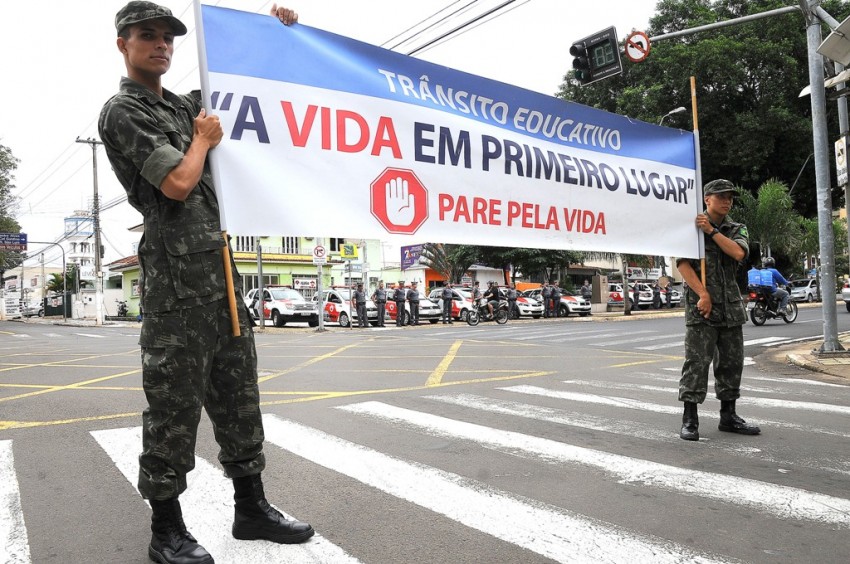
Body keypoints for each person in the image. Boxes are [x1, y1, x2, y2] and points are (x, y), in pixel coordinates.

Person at [98, 3, 313, 563]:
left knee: (240, 400)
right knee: (173, 412)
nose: (162, 46)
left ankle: (252, 508)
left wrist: (271, 31)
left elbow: (241, 84)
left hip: (221, 275)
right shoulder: (124, 110)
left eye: (168, 38)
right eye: (148, 36)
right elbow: (177, 182)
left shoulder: (185, 106)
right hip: (175, 288)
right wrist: (202, 141)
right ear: (123, 44)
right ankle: (166, 530)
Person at [676, 179, 761, 441]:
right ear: (707, 199)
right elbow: (682, 264)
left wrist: (711, 231)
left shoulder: (737, 228)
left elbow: (738, 253)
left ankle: (728, 416)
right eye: (721, 196)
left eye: (730, 198)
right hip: (702, 309)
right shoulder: (690, 229)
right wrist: (703, 294)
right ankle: (690, 418)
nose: (726, 201)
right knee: (697, 364)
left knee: (732, 364)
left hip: (731, 308)